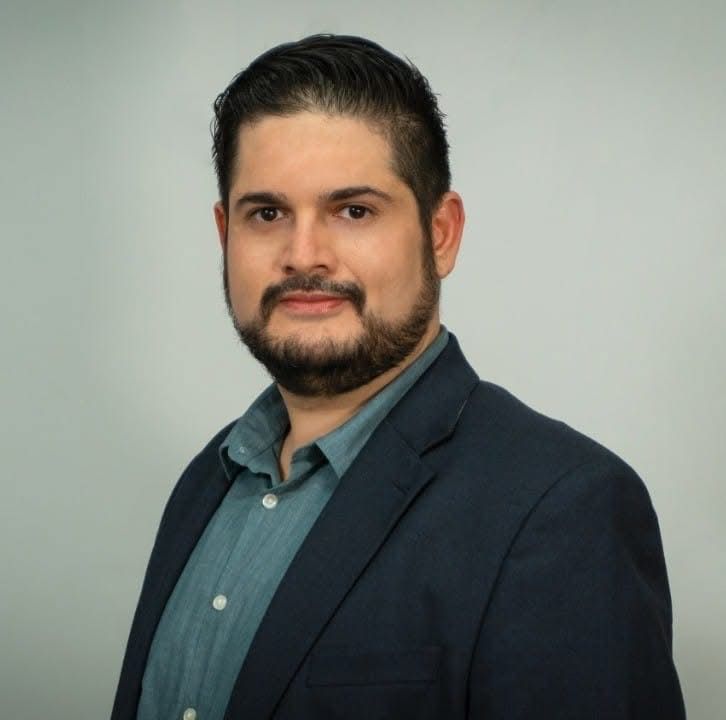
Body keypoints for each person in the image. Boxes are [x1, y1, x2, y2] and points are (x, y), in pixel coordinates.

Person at [111, 34, 685, 720]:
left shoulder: (562, 511)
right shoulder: (208, 482)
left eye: (353, 211)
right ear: (224, 234)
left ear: (441, 234)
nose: (304, 255)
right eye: (267, 214)